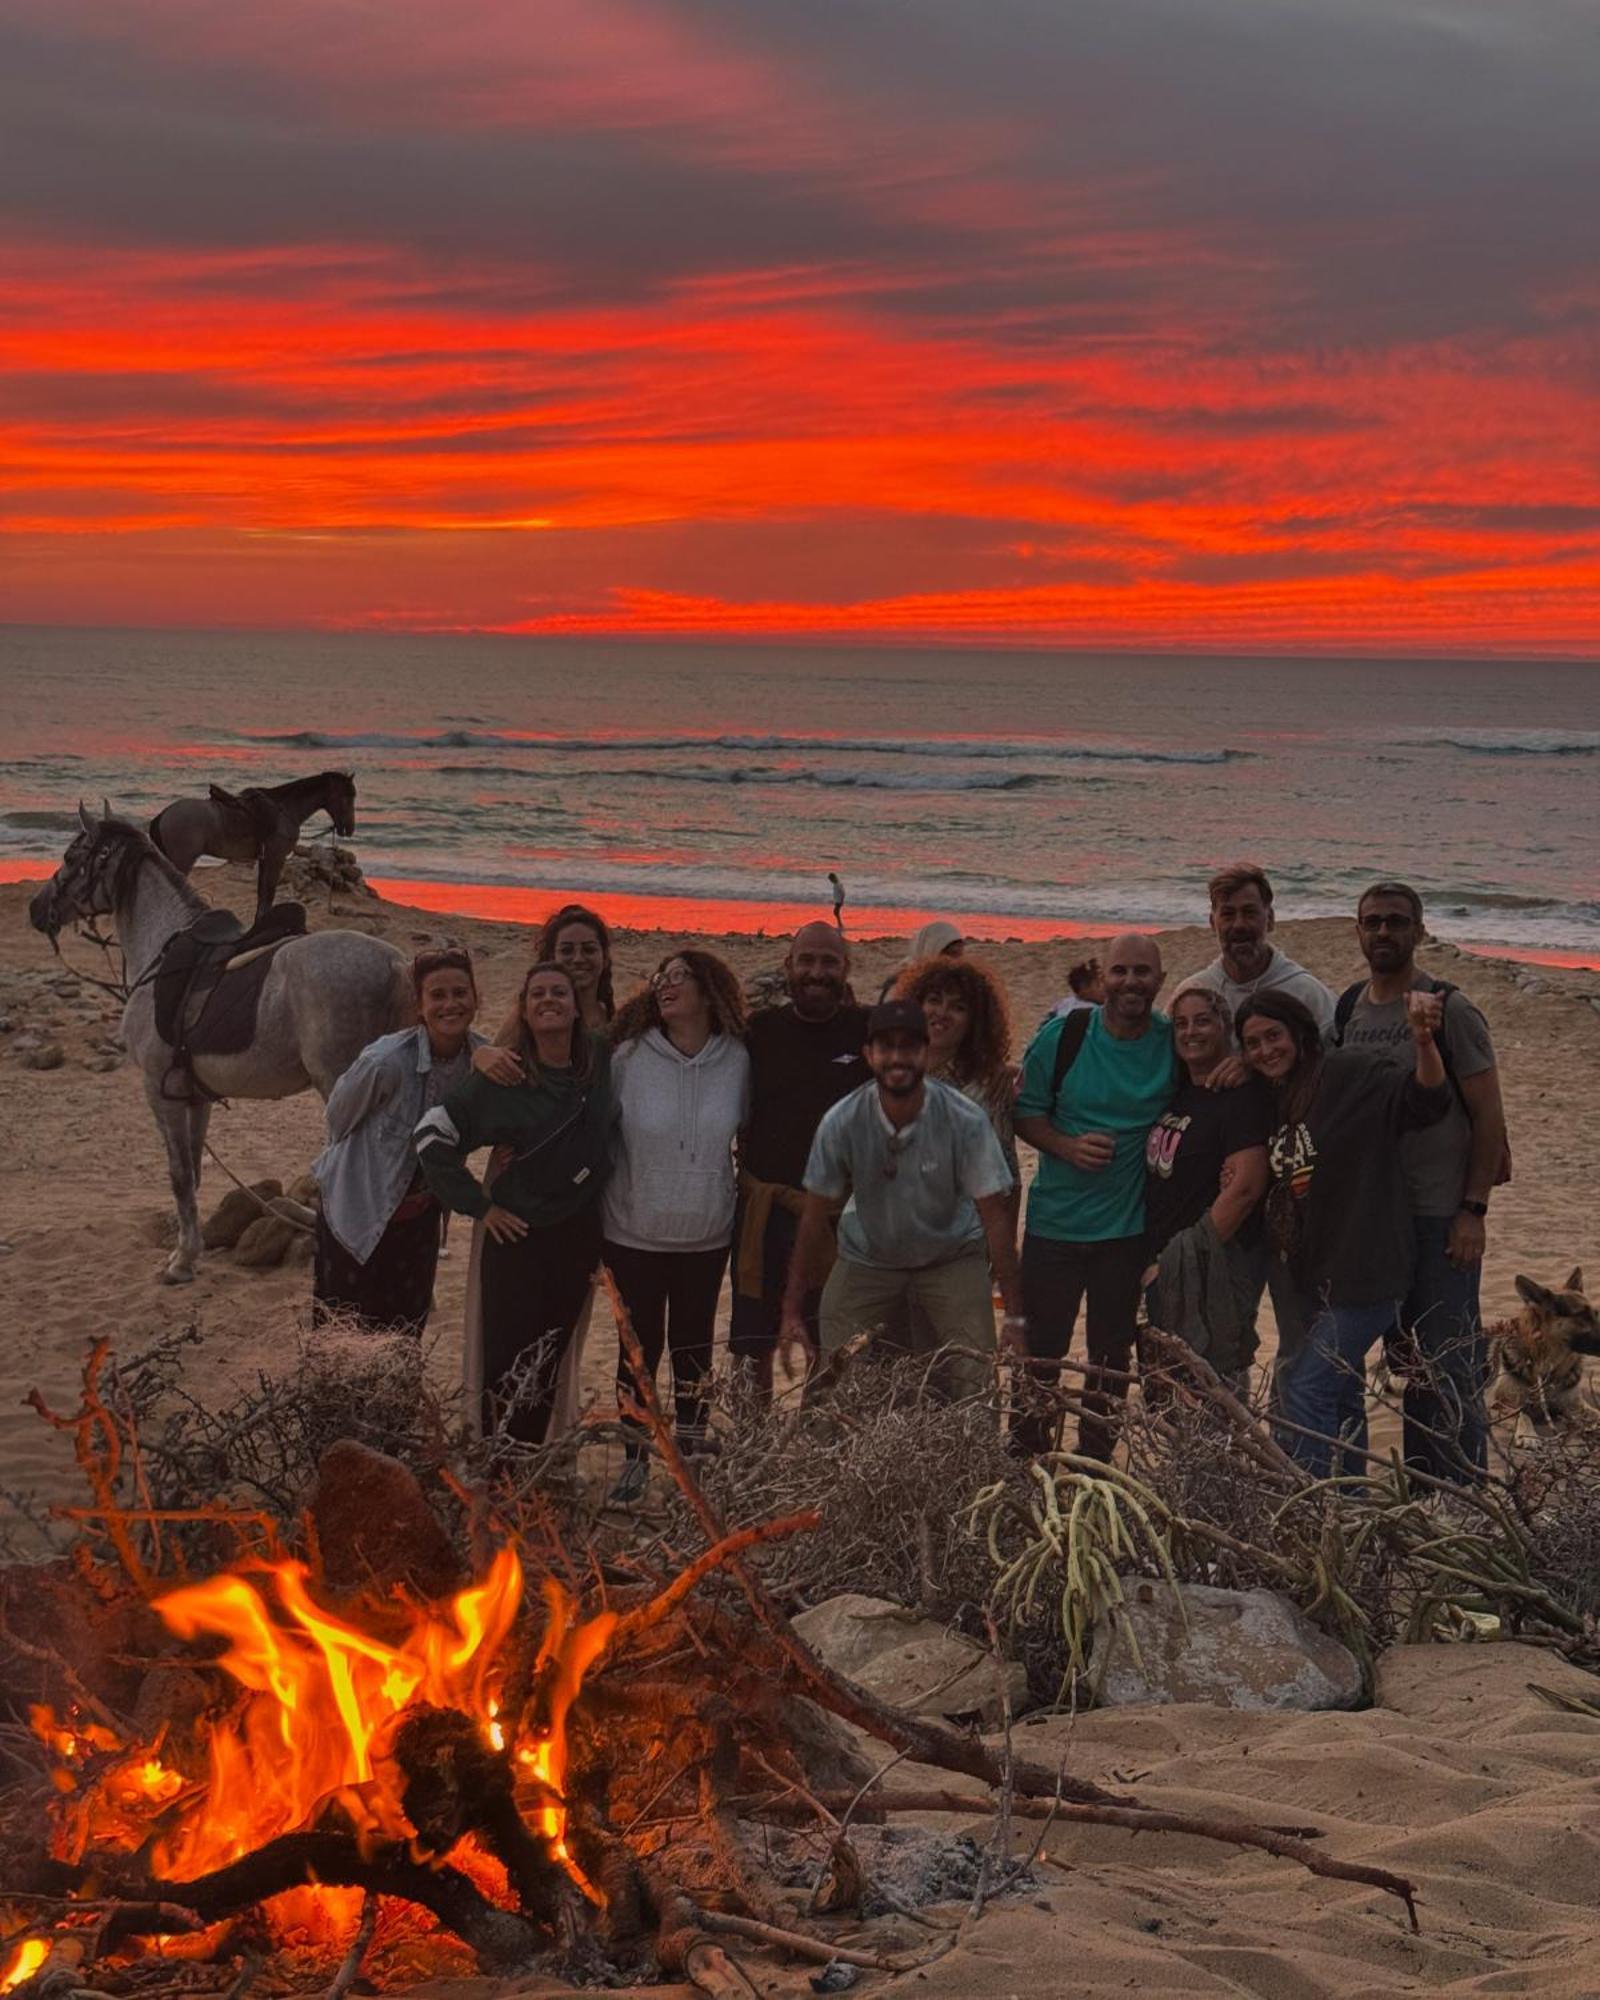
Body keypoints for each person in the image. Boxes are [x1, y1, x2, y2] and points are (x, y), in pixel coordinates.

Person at [1332, 882, 1508, 1481]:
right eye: (1372, 922)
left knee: (1450, 1367)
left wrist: (1473, 1211)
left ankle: (1466, 1502)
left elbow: (1488, 1117)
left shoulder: (1448, 1006)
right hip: (1379, 1220)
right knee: (1407, 1364)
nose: (1383, 932)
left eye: (1396, 922)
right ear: (1357, 931)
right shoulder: (1349, 1007)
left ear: (1420, 931)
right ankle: (1422, 1491)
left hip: (1440, 1218)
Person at [1238, 987, 1450, 1478]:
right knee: (1343, 1397)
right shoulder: (1279, 1096)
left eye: (1274, 1036)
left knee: (1306, 1389)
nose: (1266, 1050)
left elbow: (1426, 1100)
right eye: (1253, 1043)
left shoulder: (1348, 1072)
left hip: (1367, 1273)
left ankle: (1319, 1513)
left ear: (1301, 1034)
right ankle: (1351, 1509)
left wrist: (1423, 1040)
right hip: (1317, 1277)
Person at [779, 1000, 1022, 1398]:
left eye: (909, 1047)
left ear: (925, 1053)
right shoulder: (843, 1119)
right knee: (836, 1375)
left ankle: (980, 1458)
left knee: (974, 1376)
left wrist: (1014, 1313)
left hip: (952, 1256)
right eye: (886, 1047)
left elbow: (995, 1215)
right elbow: (812, 1215)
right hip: (867, 1257)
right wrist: (791, 1307)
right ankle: (830, 1455)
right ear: (869, 1055)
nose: (897, 1058)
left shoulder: (964, 1119)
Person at [416, 961, 614, 1445]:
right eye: (538, 994)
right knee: (506, 1358)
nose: (549, 1001)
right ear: (524, 1011)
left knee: (549, 1356)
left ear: (576, 1008)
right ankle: (497, 1468)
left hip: (578, 1234)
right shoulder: (505, 1075)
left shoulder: (602, 1060)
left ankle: (529, 1470)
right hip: (517, 1236)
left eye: (559, 993)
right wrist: (481, 1207)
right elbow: (430, 1138)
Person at [1013, 933, 1177, 1459]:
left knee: (1110, 1363)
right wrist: (1066, 1146)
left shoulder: (1170, 1043)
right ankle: (1028, 1464)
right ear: (1102, 977)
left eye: (1143, 973)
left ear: (1160, 981)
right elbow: (1024, 1113)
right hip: (1054, 1228)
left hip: (1125, 1235)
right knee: (1042, 1358)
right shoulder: (1065, 1037)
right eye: (1121, 971)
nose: (1131, 982)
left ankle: (1094, 1469)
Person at [603, 949, 751, 1503]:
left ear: (710, 991)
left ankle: (689, 1456)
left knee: (694, 1349)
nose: (665, 984)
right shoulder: (628, 1057)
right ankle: (635, 1457)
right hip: (631, 1227)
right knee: (637, 1349)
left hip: (707, 1231)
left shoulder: (738, 1060)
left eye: (679, 977)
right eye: (660, 976)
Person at [311, 945, 485, 1334]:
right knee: (342, 1340)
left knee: (405, 1334)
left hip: (419, 1218)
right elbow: (337, 1119)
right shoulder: (385, 1062)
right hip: (356, 1213)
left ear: (476, 998)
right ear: (419, 1006)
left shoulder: (481, 1059)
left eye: (460, 993)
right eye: (437, 995)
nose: (450, 1004)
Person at [730, 920, 870, 1403]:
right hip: (763, 1213)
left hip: (838, 1218)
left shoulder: (867, 1031)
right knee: (753, 1346)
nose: (816, 972)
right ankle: (751, 1446)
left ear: (846, 969)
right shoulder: (758, 1032)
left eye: (828, 961)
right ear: (788, 967)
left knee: (830, 1343)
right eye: (806, 960)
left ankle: (820, 1442)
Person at [1142, 984, 1271, 1382]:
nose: (1190, 1031)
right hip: (1163, 1266)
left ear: (1224, 1026)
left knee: (1215, 1389)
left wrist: (1182, 1260)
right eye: (1180, 1023)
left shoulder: (1241, 1095)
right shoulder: (1177, 1090)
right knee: (1167, 1389)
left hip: (1213, 1265)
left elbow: (1246, 1188)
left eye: (1202, 1021)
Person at [894, 953, 1020, 1228]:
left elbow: (1007, 1181)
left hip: (962, 1241)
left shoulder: (986, 1088)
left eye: (958, 1007)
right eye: (934, 1000)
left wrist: (1004, 1258)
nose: (942, 1013)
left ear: (974, 1022)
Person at [1190, 864, 1336, 1040]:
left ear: (1270, 919)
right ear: (1213, 923)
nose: (1239, 925)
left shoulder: (1307, 994)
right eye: (1228, 915)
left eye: (1250, 913)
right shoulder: (1196, 993)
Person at [879, 918, 964, 999]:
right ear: (931, 949)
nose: (955, 962)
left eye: (959, 955)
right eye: (950, 954)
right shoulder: (904, 983)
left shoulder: (959, 978)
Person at [1050, 954, 1105, 1020]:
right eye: (1098, 985)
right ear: (1084, 989)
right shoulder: (1092, 1012)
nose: (1105, 988)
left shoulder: (1063, 1003)